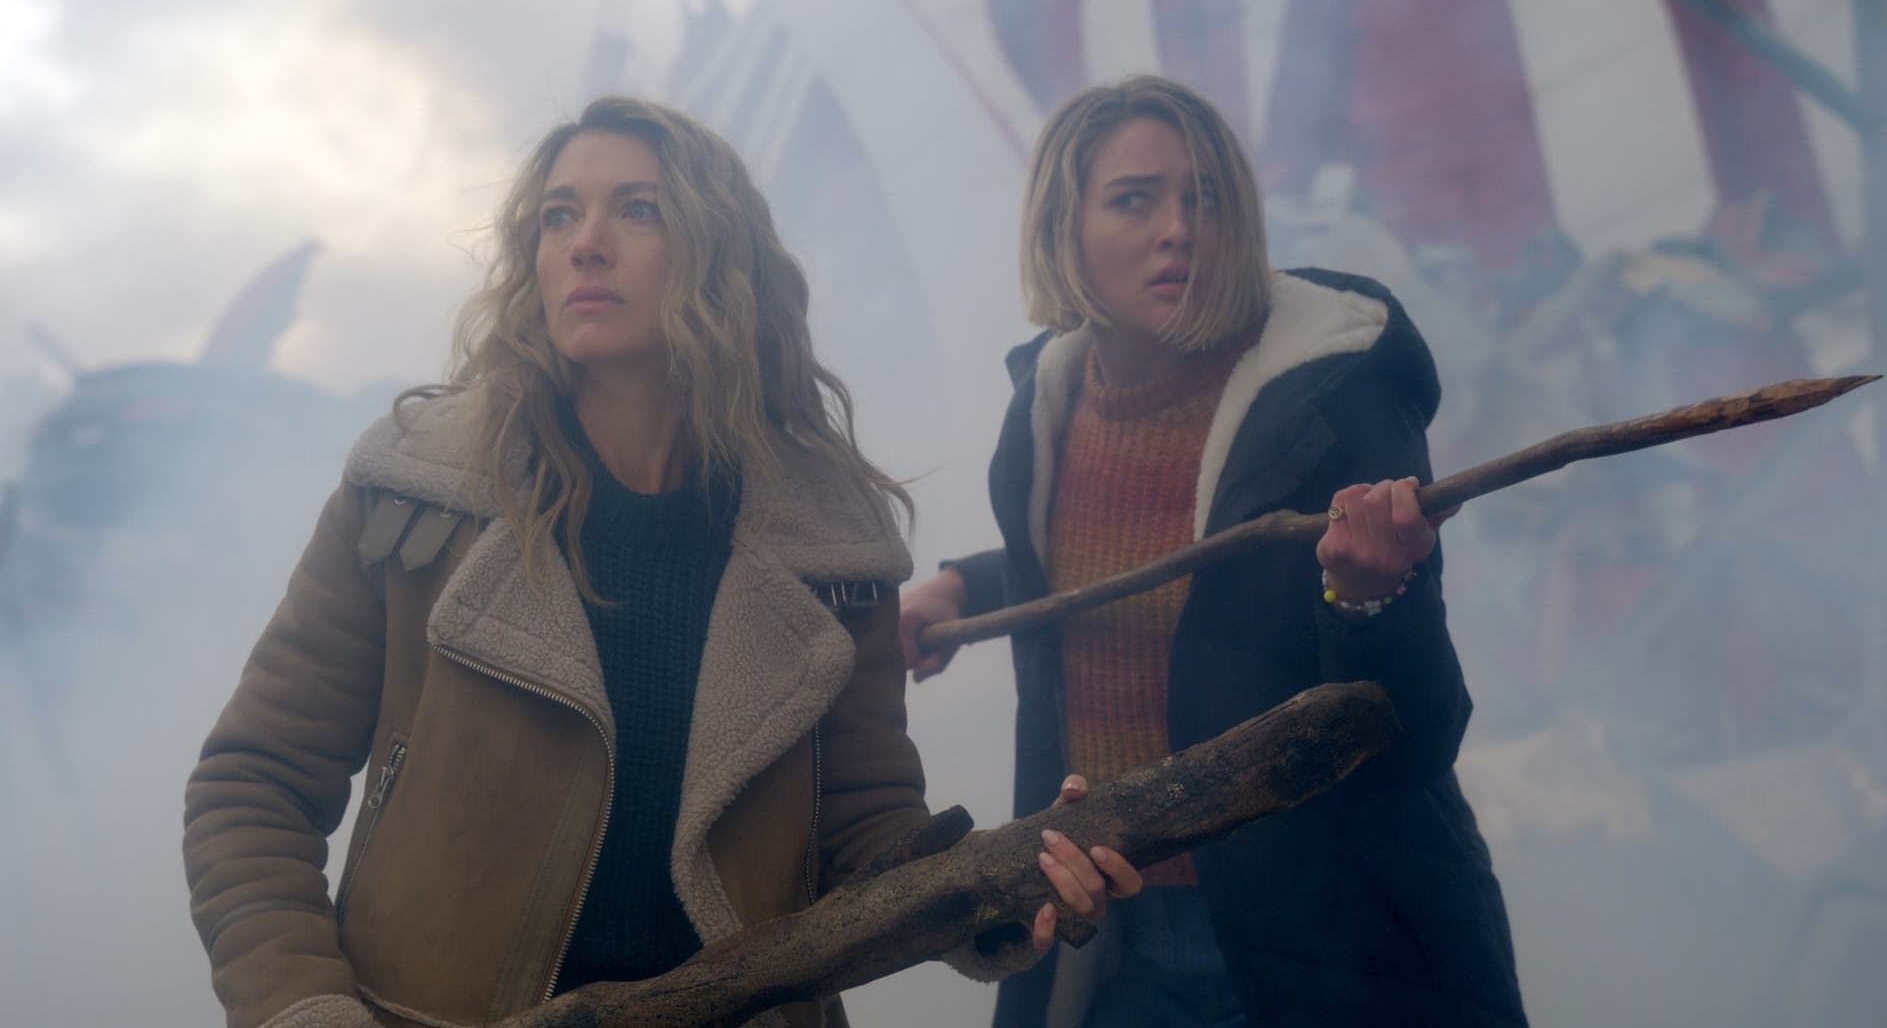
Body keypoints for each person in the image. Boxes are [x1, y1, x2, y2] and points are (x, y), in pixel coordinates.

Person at [182, 96, 1139, 1028]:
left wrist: (1007, 881)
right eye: (559, 215)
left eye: (637, 210)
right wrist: (304, 1009)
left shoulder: (829, 539)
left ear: (722, 255)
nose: (585, 245)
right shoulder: (416, 492)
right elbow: (253, 786)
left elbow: (864, 826)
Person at [899, 76, 1528, 1027]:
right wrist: (961, 586)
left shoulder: (1333, 401)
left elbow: (1421, 741)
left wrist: (1370, 601)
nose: (1179, 230)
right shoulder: (1045, 409)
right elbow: (1120, 563)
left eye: (1204, 198)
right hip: (1111, 941)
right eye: (1134, 200)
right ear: (1063, 229)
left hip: (1328, 946)